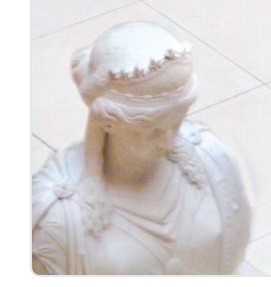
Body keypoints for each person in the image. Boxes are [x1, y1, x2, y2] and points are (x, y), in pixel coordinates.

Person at [31, 22, 250, 274]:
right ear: (108, 122)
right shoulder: (57, 217)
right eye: (150, 131)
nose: (166, 141)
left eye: (176, 124)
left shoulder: (213, 160)